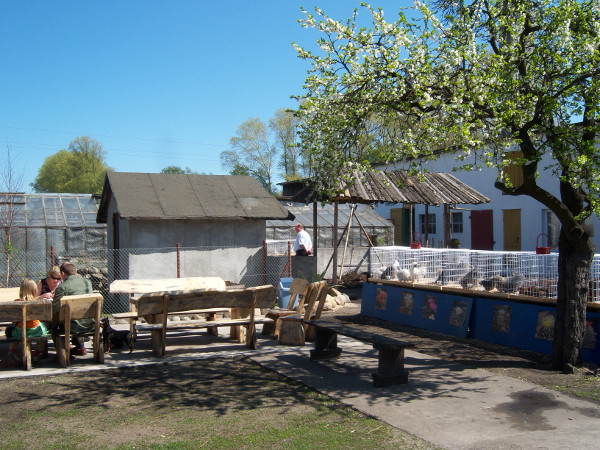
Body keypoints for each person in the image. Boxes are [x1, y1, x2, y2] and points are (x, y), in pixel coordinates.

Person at [52, 262, 94, 356]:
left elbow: (55, 309)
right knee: (77, 317)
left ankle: (63, 353)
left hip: (72, 326)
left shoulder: (62, 287)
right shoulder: (87, 283)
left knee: (55, 326)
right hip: (90, 323)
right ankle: (80, 347)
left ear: (62, 273)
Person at [6, 278, 50, 366]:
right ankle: (37, 353)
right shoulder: (39, 302)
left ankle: (12, 351)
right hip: (36, 331)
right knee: (45, 331)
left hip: (20, 331)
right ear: (34, 290)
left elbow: (13, 320)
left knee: (12, 330)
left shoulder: (16, 302)